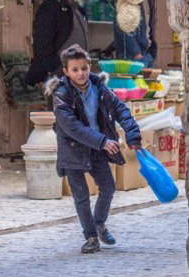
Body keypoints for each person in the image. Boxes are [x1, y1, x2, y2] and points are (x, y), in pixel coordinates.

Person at [45, 44, 141, 254]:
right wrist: (102, 141)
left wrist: (133, 134)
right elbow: (72, 127)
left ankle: (99, 224)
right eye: (75, 69)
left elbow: (121, 110)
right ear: (66, 72)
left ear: (90, 67)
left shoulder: (100, 89)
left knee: (108, 187)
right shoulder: (61, 95)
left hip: (97, 148)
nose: (81, 73)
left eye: (84, 68)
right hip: (72, 150)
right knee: (81, 196)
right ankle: (90, 237)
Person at [26, 0, 89, 87]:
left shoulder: (76, 8)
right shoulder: (51, 6)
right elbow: (42, 41)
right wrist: (51, 66)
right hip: (58, 70)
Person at [114, 0, 160, 67]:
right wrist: (136, 53)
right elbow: (123, 27)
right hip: (132, 55)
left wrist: (152, 50)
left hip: (147, 52)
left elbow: (149, 25)